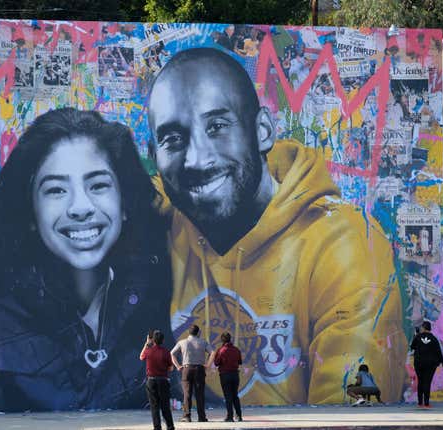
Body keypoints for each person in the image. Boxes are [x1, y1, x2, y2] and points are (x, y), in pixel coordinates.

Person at [147, 47, 406, 405]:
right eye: (173, 139)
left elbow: (348, 412)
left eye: (218, 127)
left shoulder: (343, 242)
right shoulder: (154, 220)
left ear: (262, 131)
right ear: (154, 156)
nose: (196, 159)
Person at [0, 108, 173, 413]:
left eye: (98, 185)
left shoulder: (159, 301)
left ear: (125, 203)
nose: (80, 207)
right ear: (30, 212)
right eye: (56, 190)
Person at [170, 324, 212, 422]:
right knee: (200, 394)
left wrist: (178, 366)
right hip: (199, 369)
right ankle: (201, 417)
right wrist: (208, 364)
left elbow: (172, 353)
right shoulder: (203, 342)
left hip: (187, 369)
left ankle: (187, 416)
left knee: (187, 393)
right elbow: (213, 352)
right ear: (198, 333)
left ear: (189, 332)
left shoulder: (182, 342)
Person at [140, 330, 175, 430]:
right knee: (165, 406)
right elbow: (171, 368)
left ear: (153, 340)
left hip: (151, 381)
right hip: (163, 381)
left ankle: (157, 427)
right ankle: (170, 426)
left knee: (154, 406)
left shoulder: (148, 350)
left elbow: (141, 357)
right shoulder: (166, 352)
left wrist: (147, 344)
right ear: (163, 340)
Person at [410, 321, 443, 408]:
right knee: (427, 382)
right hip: (430, 364)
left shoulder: (418, 337)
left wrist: (416, 335)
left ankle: (420, 403)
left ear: (424, 328)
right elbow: (438, 352)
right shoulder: (434, 339)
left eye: (422, 327)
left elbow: (412, 347)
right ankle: (426, 403)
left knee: (420, 382)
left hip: (419, 363)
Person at [209, 332, 242, 422]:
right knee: (235, 395)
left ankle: (230, 416)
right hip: (235, 375)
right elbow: (240, 362)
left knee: (228, 396)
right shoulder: (236, 350)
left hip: (225, 375)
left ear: (222, 340)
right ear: (230, 339)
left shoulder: (221, 350)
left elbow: (216, 363)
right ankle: (239, 416)